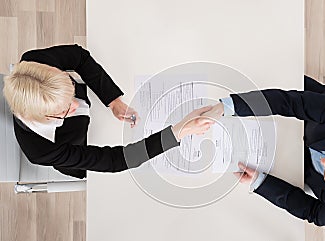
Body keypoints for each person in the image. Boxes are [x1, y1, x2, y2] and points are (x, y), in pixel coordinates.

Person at [203, 76, 325, 229]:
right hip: (309, 116)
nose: (323, 161)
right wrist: (228, 106)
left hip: (290, 167)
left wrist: (261, 182)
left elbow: (312, 211)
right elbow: (295, 102)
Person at [3, 44, 214, 178]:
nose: (74, 104)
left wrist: (112, 100)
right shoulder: (41, 150)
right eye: (66, 109)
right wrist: (179, 131)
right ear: (45, 117)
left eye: (71, 93)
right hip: (81, 147)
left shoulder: (35, 61)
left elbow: (79, 57)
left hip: (98, 112)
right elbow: (117, 160)